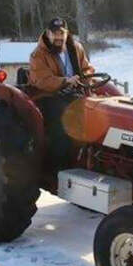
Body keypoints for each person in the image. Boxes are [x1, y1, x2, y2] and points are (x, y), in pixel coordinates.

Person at [29, 18, 95, 172]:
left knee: (98, 110)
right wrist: (65, 81)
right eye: (54, 33)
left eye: (62, 33)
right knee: (63, 120)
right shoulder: (38, 55)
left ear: (67, 34)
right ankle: (59, 168)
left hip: (75, 92)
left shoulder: (76, 48)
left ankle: (93, 158)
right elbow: (42, 80)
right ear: (47, 33)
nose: (58, 37)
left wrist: (85, 78)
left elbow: (87, 68)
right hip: (49, 96)